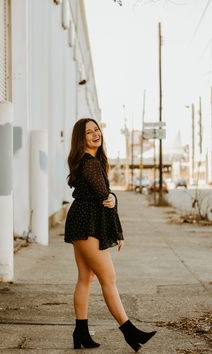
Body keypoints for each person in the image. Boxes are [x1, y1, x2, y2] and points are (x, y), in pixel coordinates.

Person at [64, 118, 156, 352]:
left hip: (83, 220)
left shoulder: (90, 161)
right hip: (86, 223)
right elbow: (106, 199)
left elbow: (106, 197)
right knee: (109, 277)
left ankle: (81, 332)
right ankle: (129, 331)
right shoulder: (90, 163)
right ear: (80, 138)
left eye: (97, 129)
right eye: (89, 132)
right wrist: (118, 230)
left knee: (86, 278)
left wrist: (113, 197)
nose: (96, 134)